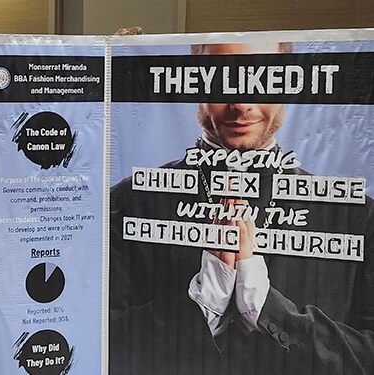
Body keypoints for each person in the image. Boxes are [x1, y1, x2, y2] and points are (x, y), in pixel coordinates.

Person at [109, 42, 374, 374]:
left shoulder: (357, 215)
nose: (241, 104)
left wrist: (270, 310)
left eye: (262, 78)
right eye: (222, 80)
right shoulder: (127, 202)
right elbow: (98, 340)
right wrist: (202, 306)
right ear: (194, 80)